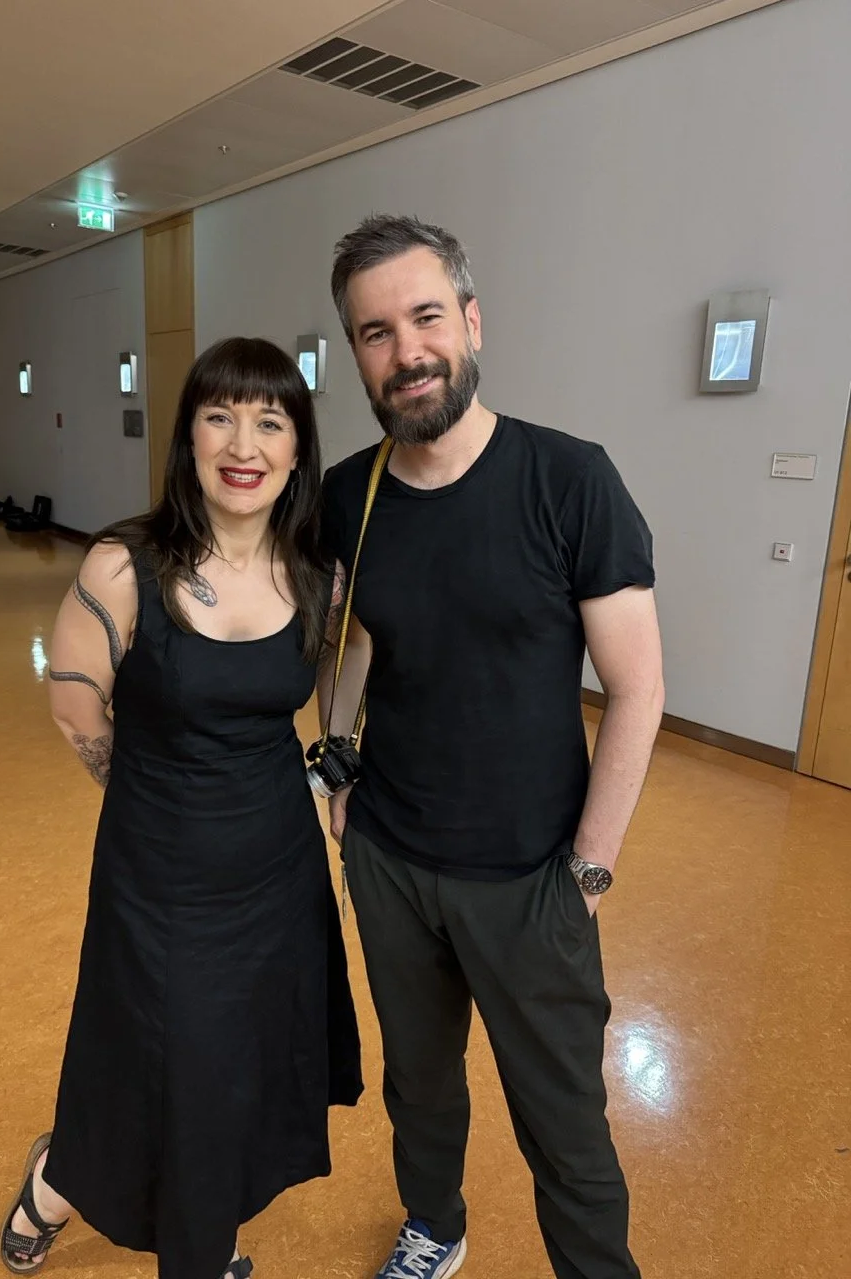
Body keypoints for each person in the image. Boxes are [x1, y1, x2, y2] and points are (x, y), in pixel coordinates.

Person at [318, 215, 664, 1279]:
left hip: (531, 877)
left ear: (471, 321)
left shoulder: (570, 479)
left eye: (426, 317)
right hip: (391, 859)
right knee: (419, 1084)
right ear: (356, 353)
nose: (407, 351)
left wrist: (590, 869)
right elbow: (354, 636)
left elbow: (638, 688)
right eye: (376, 332)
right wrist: (332, 759)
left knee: (563, 1121)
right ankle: (435, 1223)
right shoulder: (349, 494)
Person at [0, 337, 363, 1279]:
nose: (243, 444)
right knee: (155, 1051)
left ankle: (200, 1226)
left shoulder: (315, 572)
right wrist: (159, 798)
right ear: (188, 437)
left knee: (238, 1059)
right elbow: (74, 705)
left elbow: (348, 655)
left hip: (277, 868)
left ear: (297, 448)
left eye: (269, 422)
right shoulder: (127, 566)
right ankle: (62, 1183)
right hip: (158, 870)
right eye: (219, 417)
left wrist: (338, 759)